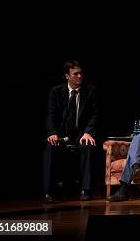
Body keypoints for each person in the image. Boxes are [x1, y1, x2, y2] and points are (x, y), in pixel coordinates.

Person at [43, 60, 99, 202]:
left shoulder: (90, 90)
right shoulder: (56, 91)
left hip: (80, 133)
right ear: (67, 76)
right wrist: (52, 133)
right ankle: (48, 192)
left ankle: (85, 190)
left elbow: (94, 114)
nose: (79, 76)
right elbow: (51, 114)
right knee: (50, 147)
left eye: (81, 73)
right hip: (61, 134)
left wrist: (88, 132)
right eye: (75, 74)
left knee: (88, 145)